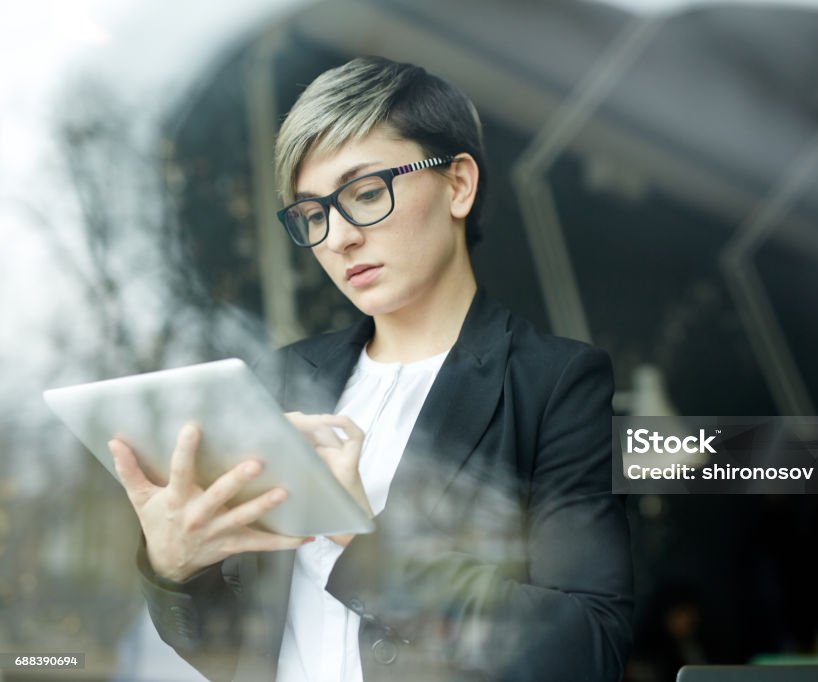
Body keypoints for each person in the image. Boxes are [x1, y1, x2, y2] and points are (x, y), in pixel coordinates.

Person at [107, 56, 634, 682]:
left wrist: (366, 545)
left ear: (458, 185)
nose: (337, 238)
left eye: (363, 193)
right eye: (313, 214)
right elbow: (241, 648)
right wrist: (177, 571)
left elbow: (588, 651)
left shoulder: (553, 384)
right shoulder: (281, 380)